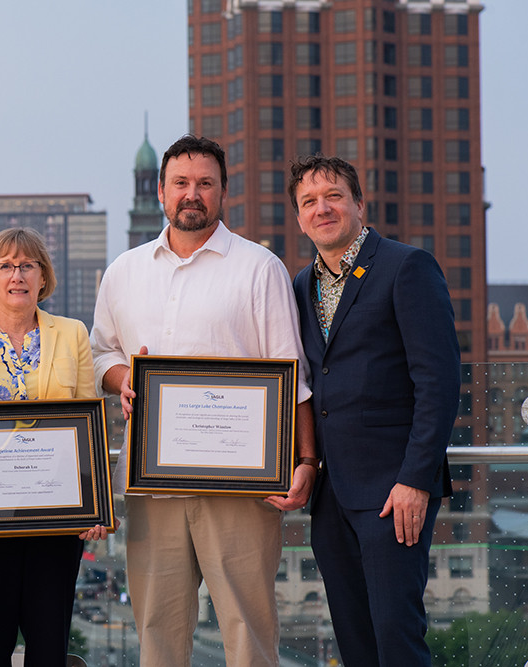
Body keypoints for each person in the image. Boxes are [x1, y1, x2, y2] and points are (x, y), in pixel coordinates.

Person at [89, 134, 317, 667]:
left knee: (247, 630)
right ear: (162, 191)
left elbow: (293, 376)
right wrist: (125, 379)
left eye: (205, 183)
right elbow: (101, 355)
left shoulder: (259, 268)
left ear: (222, 192)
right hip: (151, 483)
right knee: (157, 630)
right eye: (181, 183)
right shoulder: (124, 271)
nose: (192, 194)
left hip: (241, 485)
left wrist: (307, 460)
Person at [289, 155, 460, 667]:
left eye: (334, 196)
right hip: (331, 495)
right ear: (299, 219)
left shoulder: (407, 267)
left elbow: (438, 382)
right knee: (355, 640)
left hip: (393, 491)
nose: (322, 209)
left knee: (396, 635)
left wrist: (415, 480)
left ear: (359, 204)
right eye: (309, 202)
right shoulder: (300, 285)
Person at [0, 228, 107, 666]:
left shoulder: (72, 333)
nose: (17, 275)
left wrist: (94, 505)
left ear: (43, 276)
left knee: (48, 649)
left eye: (28, 265)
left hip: (55, 520)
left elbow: (89, 425)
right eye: (6, 266)